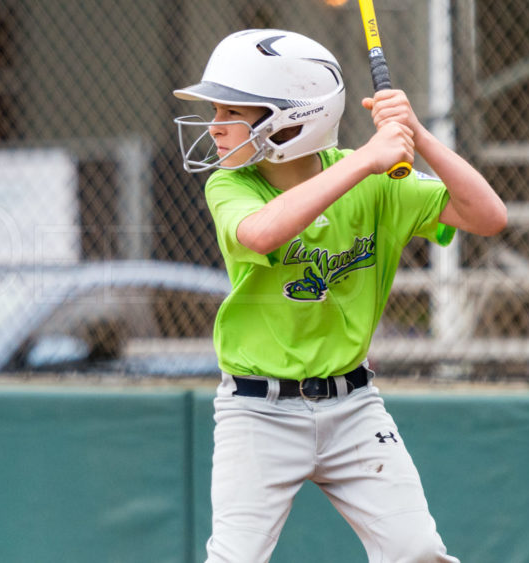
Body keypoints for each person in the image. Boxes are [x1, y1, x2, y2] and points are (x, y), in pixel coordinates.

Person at [173, 29, 507, 562]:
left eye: (230, 111)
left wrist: (417, 135)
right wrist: (366, 160)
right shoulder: (231, 185)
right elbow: (262, 233)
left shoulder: (379, 181)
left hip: (353, 408)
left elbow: (489, 216)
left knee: (419, 552)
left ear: (291, 119)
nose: (214, 127)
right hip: (257, 410)